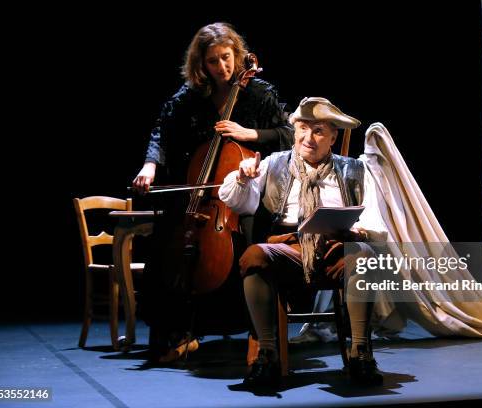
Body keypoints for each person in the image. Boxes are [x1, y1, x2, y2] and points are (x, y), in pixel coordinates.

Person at [132, 22, 293, 363]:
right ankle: (176, 332)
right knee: (167, 243)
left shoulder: (259, 92)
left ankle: (256, 334)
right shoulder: (191, 95)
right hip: (204, 194)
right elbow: (161, 129)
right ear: (201, 65)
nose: (222, 67)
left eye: (226, 57)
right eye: (213, 61)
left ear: (237, 54)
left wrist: (249, 134)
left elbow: (288, 135)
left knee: (250, 232)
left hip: (251, 190)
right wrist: (150, 165)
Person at [219, 97, 387, 387]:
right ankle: (267, 356)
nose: (308, 138)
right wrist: (244, 178)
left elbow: (374, 217)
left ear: (333, 137)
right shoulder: (274, 164)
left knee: (366, 254)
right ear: (294, 130)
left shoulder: (355, 170)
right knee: (254, 256)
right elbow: (240, 203)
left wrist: (358, 232)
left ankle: (361, 353)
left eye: (319, 131)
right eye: (303, 129)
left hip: (336, 247)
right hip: (289, 248)